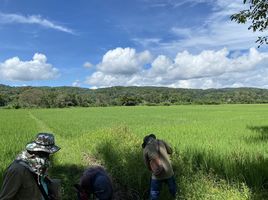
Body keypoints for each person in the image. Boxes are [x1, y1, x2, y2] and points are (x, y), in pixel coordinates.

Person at [0, 133, 61, 200]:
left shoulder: (40, 165)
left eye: (48, 154)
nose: (47, 157)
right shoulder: (17, 170)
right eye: (45, 153)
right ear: (35, 151)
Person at [142, 134, 177, 200]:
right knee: (174, 191)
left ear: (146, 142)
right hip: (168, 172)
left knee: (154, 195)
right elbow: (170, 151)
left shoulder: (146, 149)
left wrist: (154, 170)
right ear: (153, 138)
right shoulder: (161, 142)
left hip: (157, 175)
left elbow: (147, 165)